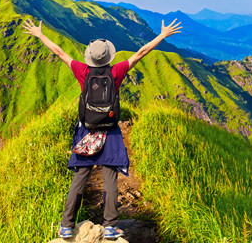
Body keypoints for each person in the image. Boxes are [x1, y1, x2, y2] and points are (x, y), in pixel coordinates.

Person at [22, 17, 182, 240]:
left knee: (79, 178)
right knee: (110, 180)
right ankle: (109, 226)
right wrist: (162, 36)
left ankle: (67, 225)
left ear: (90, 57)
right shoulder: (115, 72)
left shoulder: (82, 71)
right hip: (111, 132)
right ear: (108, 57)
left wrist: (40, 35)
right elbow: (141, 53)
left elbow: (59, 52)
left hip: (87, 131)